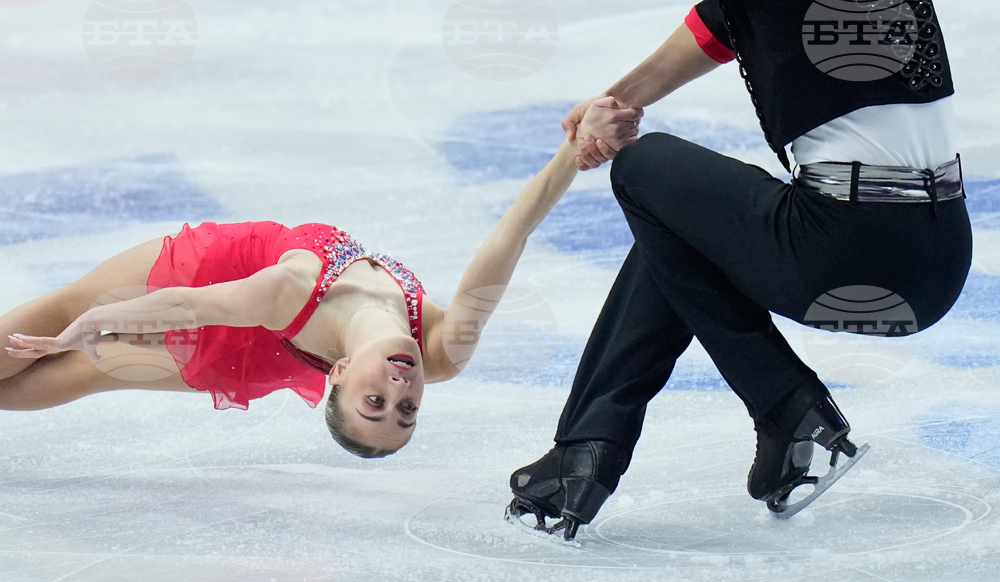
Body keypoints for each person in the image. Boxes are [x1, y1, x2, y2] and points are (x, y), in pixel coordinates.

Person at [507, 0, 971, 538]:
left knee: (644, 167)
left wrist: (611, 114)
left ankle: (784, 402)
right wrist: (615, 104)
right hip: (941, 258)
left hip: (847, 254)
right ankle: (586, 451)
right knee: (683, 224)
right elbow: (722, 21)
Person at [1, 124, 643, 458]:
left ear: (337, 372)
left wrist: (101, 323)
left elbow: (195, 305)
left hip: (222, 291)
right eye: (407, 411)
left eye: (374, 402)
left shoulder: (290, 291)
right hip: (239, 287)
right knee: (77, 336)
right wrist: (575, 151)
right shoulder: (445, 350)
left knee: (81, 343)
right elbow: (510, 235)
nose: (399, 391)